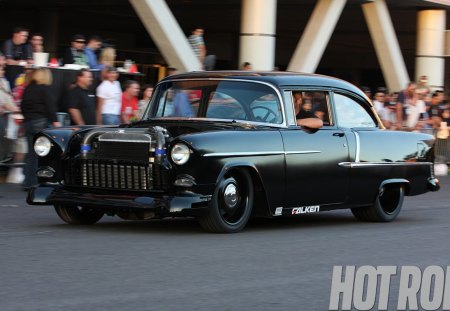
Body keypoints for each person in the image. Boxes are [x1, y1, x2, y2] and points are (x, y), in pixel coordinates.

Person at [21, 68, 60, 189]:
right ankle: (42, 179)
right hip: (41, 122)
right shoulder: (45, 89)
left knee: (31, 154)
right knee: (44, 153)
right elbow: (50, 107)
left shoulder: (28, 88)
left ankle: (28, 182)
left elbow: (22, 106)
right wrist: (56, 122)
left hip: (28, 122)